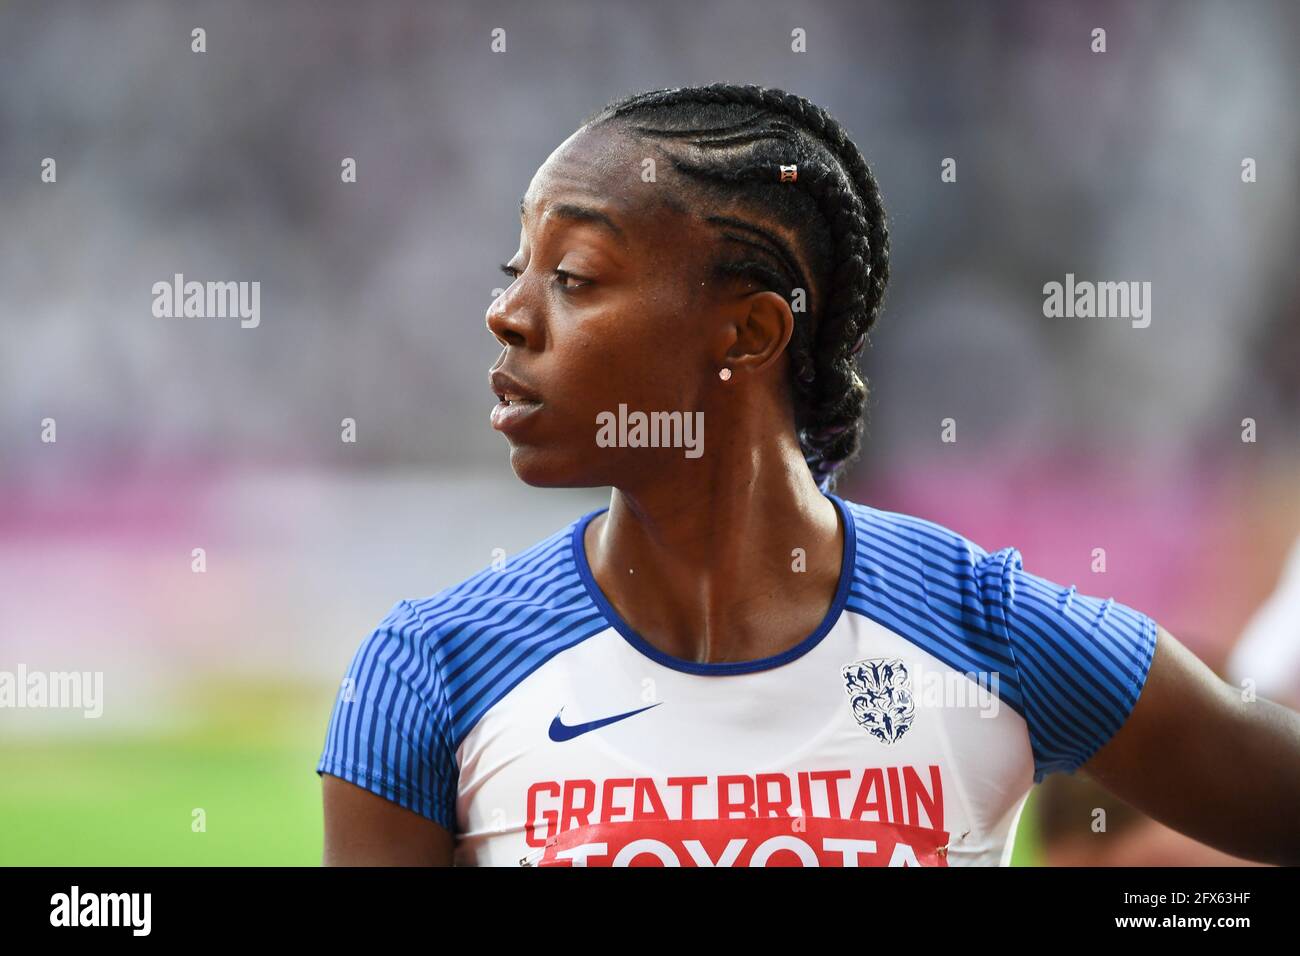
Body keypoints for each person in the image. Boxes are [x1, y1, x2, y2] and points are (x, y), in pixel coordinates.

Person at [316, 83, 1300, 866]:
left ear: (748, 331)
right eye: (513, 267)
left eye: (571, 275)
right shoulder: (427, 670)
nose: (508, 314)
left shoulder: (992, 629)